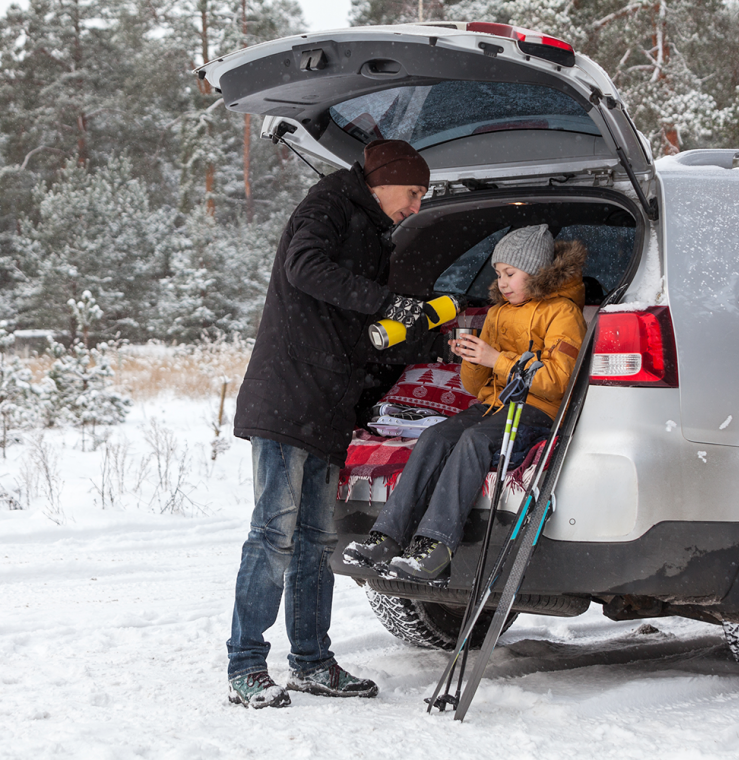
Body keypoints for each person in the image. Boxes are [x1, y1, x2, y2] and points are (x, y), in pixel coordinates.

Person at [226, 139, 435, 709]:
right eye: (413, 192)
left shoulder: (374, 231)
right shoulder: (329, 204)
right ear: (385, 178)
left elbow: (355, 327)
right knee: (273, 535)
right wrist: (387, 303)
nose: (416, 205)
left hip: (329, 403)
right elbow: (305, 266)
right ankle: (245, 664)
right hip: (285, 395)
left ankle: (312, 662)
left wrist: (416, 332)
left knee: (317, 542)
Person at [343, 224, 587, 584]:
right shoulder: (499, 312)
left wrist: (497, 359)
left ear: (536, 271)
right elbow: (476, 387)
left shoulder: (563, 312)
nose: (502, 282)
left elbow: (558, 383)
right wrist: (473, 359)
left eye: (510, 273)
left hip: (537, 411)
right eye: (498, 274)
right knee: (435, 438)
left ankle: (435, 549)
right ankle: (388, 537)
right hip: (493, 406)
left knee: (474, 441)